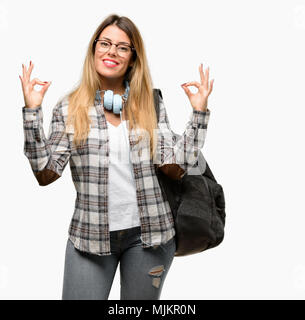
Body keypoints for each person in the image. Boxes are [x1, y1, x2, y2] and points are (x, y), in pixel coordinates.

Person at [19, 14, 214, 300]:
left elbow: (175, 168)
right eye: (105, 43)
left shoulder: (150, 103)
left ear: (133, 58)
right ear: (94, 49)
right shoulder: (69, 108)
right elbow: (46, 173)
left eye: (122, 47)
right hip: (90, 237)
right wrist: (32, 113)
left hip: (150, 237)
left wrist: (198, 115)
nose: (112, 51)